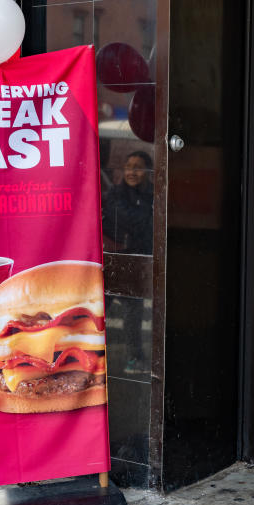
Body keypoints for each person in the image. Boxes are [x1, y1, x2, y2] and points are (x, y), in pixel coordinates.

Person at [102, 150, 153, 373]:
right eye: (128, 166)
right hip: (114, 261)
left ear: (148, 171)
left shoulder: (153, 194)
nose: (132, 171)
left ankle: (135, 358)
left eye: (138, 167)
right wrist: (144, 214)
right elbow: (135, 221)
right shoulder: (115, 194)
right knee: (102, 309)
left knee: (134, 313)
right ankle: (91, 358)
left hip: (137, 261)